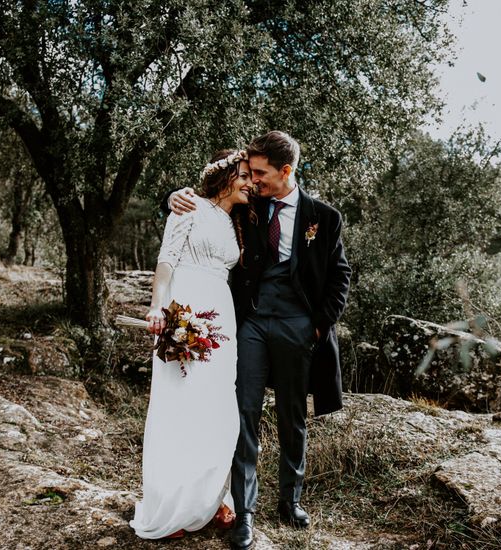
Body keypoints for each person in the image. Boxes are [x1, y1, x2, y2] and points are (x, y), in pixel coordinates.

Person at [165, 131, 352, 550]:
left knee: (292, 415)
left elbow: (341, 276)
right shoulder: (251, 205)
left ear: (287, 171)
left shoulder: (324, 216)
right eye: (249, 172)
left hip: (297, 325)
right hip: (248, 323)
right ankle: (244, 512)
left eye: (260, 173)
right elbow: (207, 203)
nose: (253, 179)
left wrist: (318, 326)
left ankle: (291, 500)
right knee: (243, 411)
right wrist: (172, 197)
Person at [129, 149, 254, 540]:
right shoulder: (188, 205)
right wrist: (157, 308)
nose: (251, 183)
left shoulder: (238, 223)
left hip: (221, 316)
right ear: (225, 174)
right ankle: (172, 505)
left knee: (217, 410)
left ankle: (210, 499)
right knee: (181, 406)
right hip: (185, 308)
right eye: (245, 175)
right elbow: (166, 262)